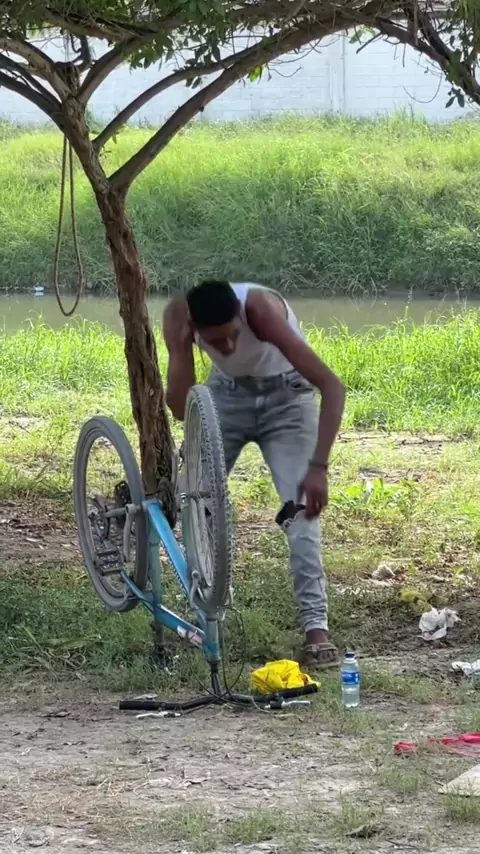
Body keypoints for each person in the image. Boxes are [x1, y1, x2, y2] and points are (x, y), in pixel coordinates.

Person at [163, 281, 346, 669]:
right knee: (195, 500)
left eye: (233, 335)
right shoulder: (179, 317)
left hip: (287, 398)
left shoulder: (260, 310)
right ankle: (208, 615)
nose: (228, 347)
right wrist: (182, 347)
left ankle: (316, 629)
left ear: (241, 317)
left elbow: (332, 386)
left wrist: (319, 467)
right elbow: (180, 408)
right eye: (216, 342)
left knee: (299, 512)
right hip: (224, 395)